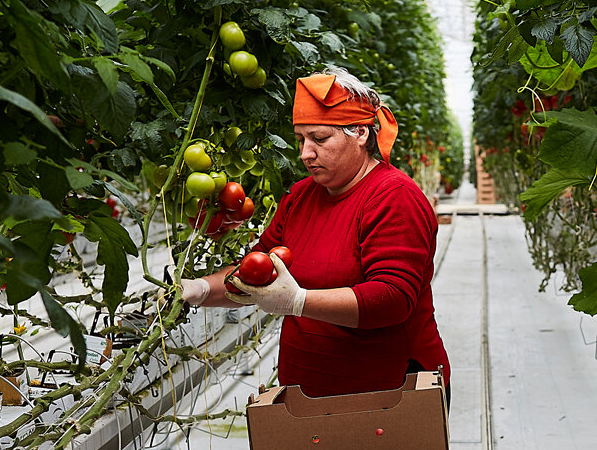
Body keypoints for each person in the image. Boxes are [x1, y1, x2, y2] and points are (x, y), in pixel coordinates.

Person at [179, 70, 449, 399]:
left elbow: (392, 299)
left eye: (319, 139)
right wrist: (200, 289)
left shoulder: (393, 197)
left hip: (387, 395)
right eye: (301, 140)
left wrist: (298, 301)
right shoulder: (301, 197)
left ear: (361, 133)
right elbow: (256, 269)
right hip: (307, 392)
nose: (306, 153)